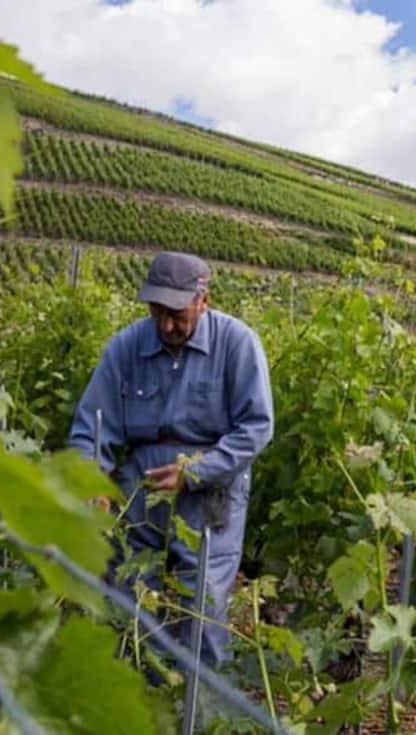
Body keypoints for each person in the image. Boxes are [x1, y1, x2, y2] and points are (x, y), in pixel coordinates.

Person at [69, 251, 274, 668]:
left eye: (176, 313)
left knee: (202, 611)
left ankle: (195, 714)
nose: (165, 324)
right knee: (132, 606)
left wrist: (196, 470)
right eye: (157, 311)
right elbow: (93, 423)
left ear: (204, 300)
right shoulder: (126, 347)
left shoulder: (237, 344)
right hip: (141, 495)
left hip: (209, 501)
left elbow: (257, 427)